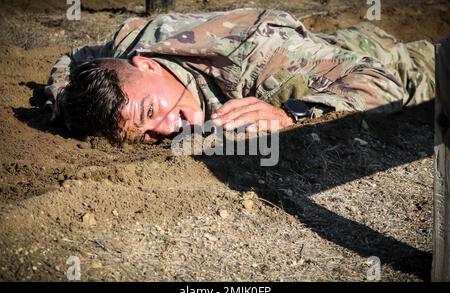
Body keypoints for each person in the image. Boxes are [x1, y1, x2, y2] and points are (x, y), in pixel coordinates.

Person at [45, 8, 435, 143]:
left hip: (405, 66)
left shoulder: (255, 58)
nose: (165, 130)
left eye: (151, 112)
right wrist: (65, 101)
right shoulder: (129, 51)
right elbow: (72, 58)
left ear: (148, 65)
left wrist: (290, 116)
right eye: (144, 134)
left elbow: (383, 86)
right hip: (327, 49)